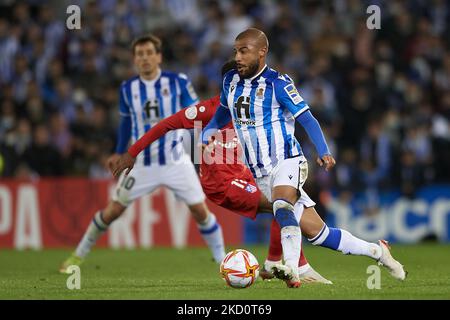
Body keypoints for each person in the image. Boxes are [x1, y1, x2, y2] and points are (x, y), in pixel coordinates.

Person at [111, 61, 406, 288]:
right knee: (282, 206)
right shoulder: (209, 110)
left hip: (255, 176)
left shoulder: (259, 108)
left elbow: (298, 117)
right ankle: (287, 264)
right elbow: (165, 125)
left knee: (318, 232)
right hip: (222, 184)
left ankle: (376, 251)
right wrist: (132, 153)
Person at [200, 29, 406, 287]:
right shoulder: (230, 79)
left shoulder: (278, 83)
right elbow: (222, 111)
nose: (238, 57)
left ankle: (291, 269)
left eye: (244, 51)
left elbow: (306, 118)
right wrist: (210, 129)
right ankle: (378, 252)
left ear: (262, 52)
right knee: (319, 234)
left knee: (281, 207)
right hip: (261, 172)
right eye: (236, 51)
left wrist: (324, 150)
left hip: (288, 160)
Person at [59, 34, 225, 273]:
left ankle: (222, 262)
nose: (145, 58)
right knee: (113, 211)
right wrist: (118, 152)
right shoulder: (128, 88)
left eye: (149, 53)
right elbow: (126, 123)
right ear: (134, 60)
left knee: (200, 210)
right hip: (141, 164)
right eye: (140, 54)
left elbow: (196, 112)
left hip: (175, 161)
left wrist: (207, 138)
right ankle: (78, 255)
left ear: (159, 57)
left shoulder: (178, 81)